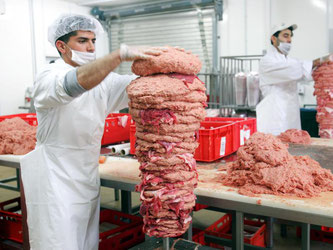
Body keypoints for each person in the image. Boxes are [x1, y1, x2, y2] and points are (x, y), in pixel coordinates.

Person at [20, 13, 163, 250]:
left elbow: (140, 88)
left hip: (86, 175)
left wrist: (165, 65)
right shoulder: (49, 76)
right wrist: (118, 55)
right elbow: (75, 84)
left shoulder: (104, 81)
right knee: (57, 243)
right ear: (62, 46)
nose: (91, 47)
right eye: (83, 41)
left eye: (94, 41)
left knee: (86, 244)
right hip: (54, 178)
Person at [256, 23, 332, 135]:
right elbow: (293, 70)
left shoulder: (291, 61)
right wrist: (319, 60)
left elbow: (307, 73)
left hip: (291, 116)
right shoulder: (267, 61)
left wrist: (326, 68)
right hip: (274, 118)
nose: (289, 40)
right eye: (285, 36)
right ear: (274, 38)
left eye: (290, 36)